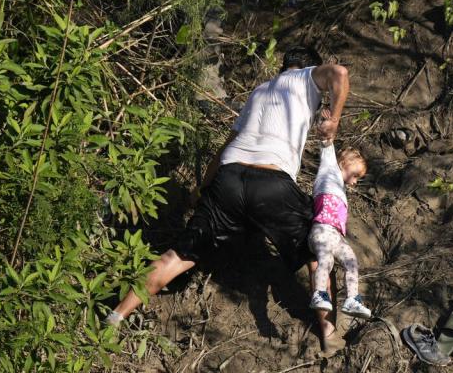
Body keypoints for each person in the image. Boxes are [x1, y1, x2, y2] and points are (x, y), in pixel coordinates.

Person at [105, 47, 349, 346]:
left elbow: (224, 149)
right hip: (270, 179)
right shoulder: (305, 78)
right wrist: (333, 120)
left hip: (228, 179)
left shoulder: (259, 92)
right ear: (306, 67)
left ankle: (115, 317)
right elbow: (339, 73)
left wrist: (202, 190)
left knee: (179, 255)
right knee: (317, 248)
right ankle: (329, 333)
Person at [307, 141, 371, 319]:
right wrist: (328, 129)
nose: (356, 181)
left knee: (351, 261)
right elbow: (327, 144)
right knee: (326, 260)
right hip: (321, 229)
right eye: (356, 174)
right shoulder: (329, 169)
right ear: (345, 163)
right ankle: (319, 293)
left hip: (335, 235)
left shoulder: (340, 187)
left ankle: (352, 299)